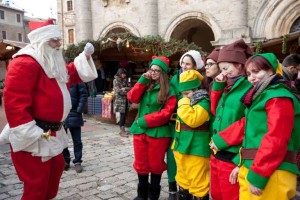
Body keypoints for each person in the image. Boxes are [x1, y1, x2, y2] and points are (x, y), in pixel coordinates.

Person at [0, 19, 97, 200]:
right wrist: (32, 133)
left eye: (59, 39)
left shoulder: (49, 61)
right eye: (55, 40)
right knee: (36, 186)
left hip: (52, 132)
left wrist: (85, 56)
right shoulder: (25, 63)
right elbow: (14, 102)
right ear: (42, 41)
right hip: (36, 135)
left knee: (55, 172)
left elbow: (70, 73)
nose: (59, 44)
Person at [211, 53, 300, 200]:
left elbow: (276, 138)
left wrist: (259, 174)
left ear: (271, 70)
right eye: (248, 73)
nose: (251, 77)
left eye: (256, 71)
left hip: (272, 171)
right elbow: (247, 125)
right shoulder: (263, 95)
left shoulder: (278, 97)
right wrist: (241, 163)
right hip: (257, 168)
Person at [127, 56, 177, 200]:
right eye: (152, 69)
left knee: (156, 165)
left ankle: (153, 195)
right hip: (140, 132)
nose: (153, 73)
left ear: (163, 73)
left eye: (157, 71)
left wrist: (145, 120)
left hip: (158, 133)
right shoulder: (146, 84)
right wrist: (142, 81)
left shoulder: (169, 89)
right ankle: (141, 195)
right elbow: (132, 97)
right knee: (140, 163)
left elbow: (166, 113)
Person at [209, 39, 253, 200]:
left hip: (234, 153)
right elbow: (215, 112)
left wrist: (221, 139)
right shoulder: (227, 86)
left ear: (240, 65)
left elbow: (249, 122)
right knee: (217, 194)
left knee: (230, 196)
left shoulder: (249, 87)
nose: (223, 73)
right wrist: (217, 87)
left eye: (226, 68)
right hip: (217, 151)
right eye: (221, 69)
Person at [168, 50, 205, 199]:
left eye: (188, 63)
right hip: (178, 128)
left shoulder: (202, 85)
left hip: (196, 135)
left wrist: (183, 101)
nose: (184, 66)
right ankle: (174, 190)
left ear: (196, 65)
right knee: (178, 166)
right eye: (182, 63)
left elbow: (195, 118)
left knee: (196, 175)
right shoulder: (175, 80)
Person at [172, 69, 211, 199]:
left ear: (196, 90)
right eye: (183, 94)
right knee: (183, 181)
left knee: (199, 184)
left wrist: (183, 102)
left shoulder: (204, 101)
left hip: (197, 149)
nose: (185, 96)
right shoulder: (188, 101)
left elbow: (193, 120)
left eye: (187, 93)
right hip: (182, 147)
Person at [63, 82, 88, 173]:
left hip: (74, 113)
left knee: (77, 140)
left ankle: (77, 161)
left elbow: (83, 94)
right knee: (62, 140)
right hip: (62, 114)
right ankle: (65, 160)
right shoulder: (58, 75)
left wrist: (79, 110)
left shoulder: (77, 78)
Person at [113, 68, 130, 137]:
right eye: (123, 74)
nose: (124, 75)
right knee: (122, 115)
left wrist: (125, 89)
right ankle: (121, 130)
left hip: (125, 100)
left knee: (125, 114)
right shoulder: (116, 80)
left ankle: (123, 129)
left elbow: (129, 87)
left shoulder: (125, 80)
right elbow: (118, 91)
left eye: (125, 74)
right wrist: (127, 91)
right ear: (119, 74)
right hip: (120, 101)